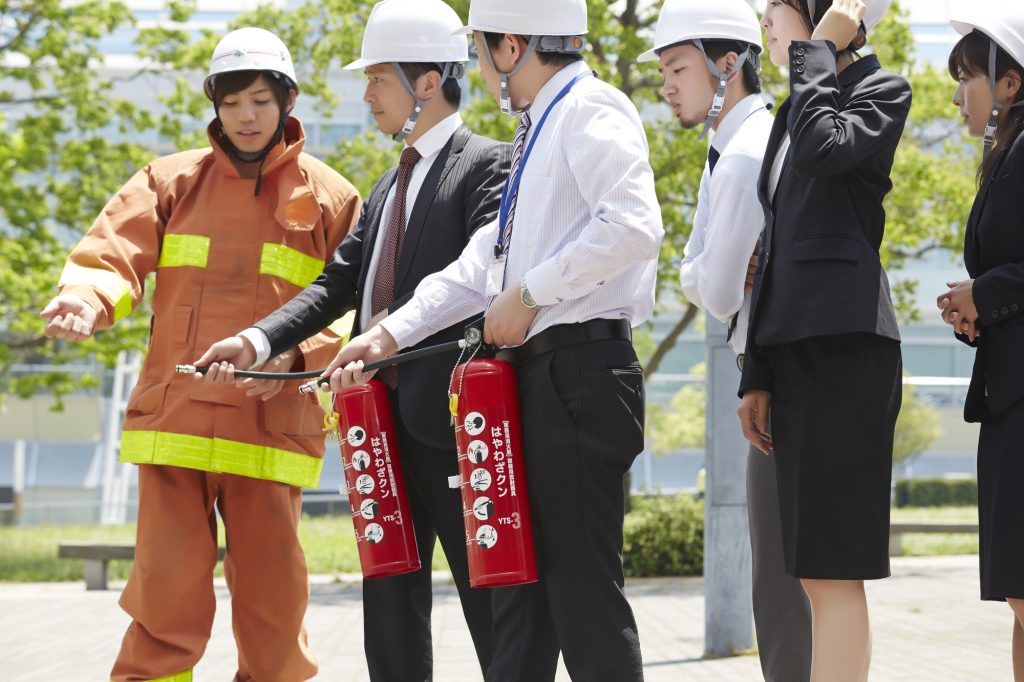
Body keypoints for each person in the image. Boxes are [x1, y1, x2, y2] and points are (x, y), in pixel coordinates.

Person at [320, 0, 664, 679]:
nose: (476, 71)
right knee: (521, 607)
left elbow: (633, 224)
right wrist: (384, 336)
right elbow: (481, 266)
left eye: (478, 53)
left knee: (582, 600)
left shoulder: (591, 109)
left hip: (580, 371)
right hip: (542, 378)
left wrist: (531, 293)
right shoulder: (539, 129)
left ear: (511, 46)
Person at [195, 2, 510, 679]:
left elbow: (484, 278)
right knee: (389, 602)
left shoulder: (489, 165)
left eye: (377, 80)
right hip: (376, 425)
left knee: (492, 599)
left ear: (428, 81)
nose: (366, 95)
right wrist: (252, 342)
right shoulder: (389, 182)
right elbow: (335, 285)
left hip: (453, 424)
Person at [38, 27, 361, 682]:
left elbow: (357, 305)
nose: (247, 116)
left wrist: (297, 358)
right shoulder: (169, 180)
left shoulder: (331, 198)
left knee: (274, 611)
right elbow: (111, 253)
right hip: (176, 425)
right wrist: (86, 299)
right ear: (214, 102)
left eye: (261, 101)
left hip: (268, 429)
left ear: (287, 102)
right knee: (165, 601)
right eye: (233, 100)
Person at [736, 1, 910, 680]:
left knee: (833, 572)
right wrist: (759, 371)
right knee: (812, 575)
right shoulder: (797, 106)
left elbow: (823, 148)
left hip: (845, 352)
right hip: (794, 354)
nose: (764, 27)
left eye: (772, 10)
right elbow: (775, 244)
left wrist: (822, 45)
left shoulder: (881, 89)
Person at [640, 0, 812, 678]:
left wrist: (705, 271)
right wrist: (704, 269)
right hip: (773, 378)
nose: (668, 85)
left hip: (780, 383)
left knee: (781, 582)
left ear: (729, 64)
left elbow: (713, 293)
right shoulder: (737, 149)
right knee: (786, 580)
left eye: (678, 68)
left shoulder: (741, 159)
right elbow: (702, 273)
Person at [937, 3, 1024, 679]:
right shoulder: (1002, 159)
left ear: (1010, 82)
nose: (959, 95)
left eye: (967, 77)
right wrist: (975, 312)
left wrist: (985, 295)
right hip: (1006, 395)